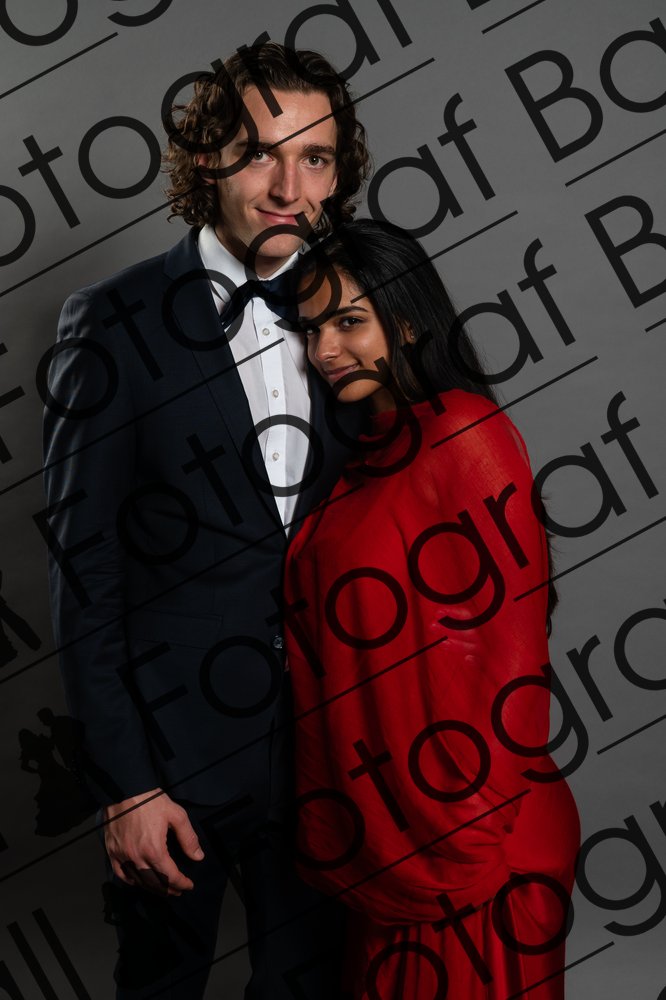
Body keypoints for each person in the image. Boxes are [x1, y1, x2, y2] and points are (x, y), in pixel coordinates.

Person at [42, 42, 370, 999]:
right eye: (259, 153)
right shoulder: (114, 320)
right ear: (206, 159)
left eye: (314, 158)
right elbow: (83, 568)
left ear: (338, 174)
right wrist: (127, 785)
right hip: (170, 758)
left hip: (328, 754)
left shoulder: (360, 312)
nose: (287, 187)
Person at [284, 219, 581, 999]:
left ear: (408, 320)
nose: (324, 350)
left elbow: (513, 654)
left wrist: (464, 834)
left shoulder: (466, 434)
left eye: (349, 322)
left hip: (478, 840)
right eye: (312, 328)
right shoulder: (361, 458)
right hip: (391, 842)